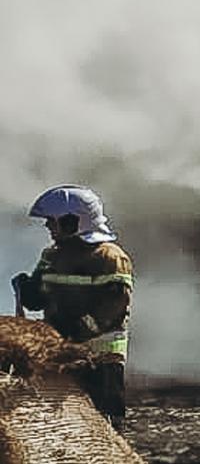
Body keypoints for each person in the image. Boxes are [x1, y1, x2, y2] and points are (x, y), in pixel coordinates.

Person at [12, 185, 134, 431]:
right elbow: (37, 301)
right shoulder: (52, 256)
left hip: (101, 359)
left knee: (104, 425)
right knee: (65, 424)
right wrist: (28, 290)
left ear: (73, 222)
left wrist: (75, 332)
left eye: (52, 221)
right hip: (62, 354)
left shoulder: (109, 257)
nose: (47, 226)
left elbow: (113, 307)